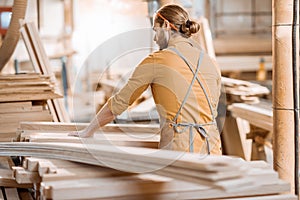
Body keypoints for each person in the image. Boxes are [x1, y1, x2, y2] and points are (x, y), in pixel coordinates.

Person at [69, 4, 222, 155]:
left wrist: (88, 131)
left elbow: (119, 103)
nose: (155, 38)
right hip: (214, 148)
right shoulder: (210, 62)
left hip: (182, 151)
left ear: (167, 26)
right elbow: (212, 107)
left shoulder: (158, 60)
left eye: (156, 30)